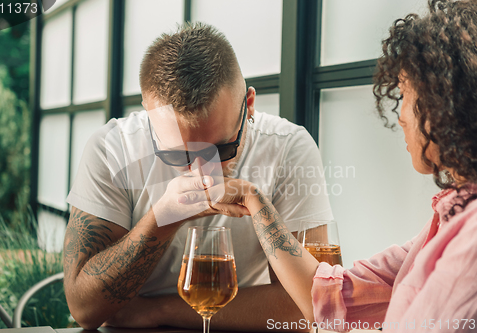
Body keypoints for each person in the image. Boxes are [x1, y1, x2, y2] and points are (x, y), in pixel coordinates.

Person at [183, 0, 477, 331]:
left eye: (406, 96)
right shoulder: (448, 215)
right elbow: (330, 296)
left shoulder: (470, 240)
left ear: (445, 105)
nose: (400, 116)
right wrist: (256, 202)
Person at [63, 22, 333, 330]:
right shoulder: (113, 147)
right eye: (179, 156)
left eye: (222, 150)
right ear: (148, 114)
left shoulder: (288, 147)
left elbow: (311, 306)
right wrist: (165, 216)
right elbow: (84, 309)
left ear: (249, 104)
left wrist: (156, 312)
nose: (205, 172)